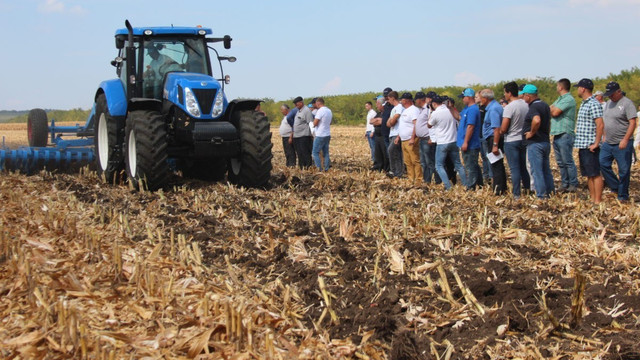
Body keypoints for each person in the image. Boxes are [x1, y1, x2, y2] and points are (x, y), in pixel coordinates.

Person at [600, 81, 637, 201]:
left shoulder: (627, 103)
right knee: (603, 163)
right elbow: (605, 121)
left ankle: (623, 195)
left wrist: (625, 139)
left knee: (624, 170)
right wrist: (604, 136)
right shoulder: (608, 104)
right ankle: (615, 186)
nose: (610, 96)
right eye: (608, 94)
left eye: (612, 94)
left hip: (622, 142)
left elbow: (632, 123)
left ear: (619, 91)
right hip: (608, 142)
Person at [573, 78, 604, 204]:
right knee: (589, 174)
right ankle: (592, 198)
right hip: (583, 144)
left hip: (591, 144)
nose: (578, 90)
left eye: (578, 87)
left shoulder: (593, 104)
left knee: (595, 173)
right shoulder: (585, 103)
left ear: (583, 88)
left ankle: (597, 200)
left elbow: (600, 124)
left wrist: (596, 143)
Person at [522, 84, 555, 199]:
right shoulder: (545, 105)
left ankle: (541, 195)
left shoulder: (534, 107)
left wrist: (531, 133)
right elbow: (548, 123)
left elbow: (536, 120)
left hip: (535, 143)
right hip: (545, 141)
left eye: (524, 95)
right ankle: (550, 192)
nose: (523, 98)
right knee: (546, 169)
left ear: (528, 96)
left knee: (537, 171)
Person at [428, 95, 467, 190]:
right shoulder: (450, 110)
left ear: (434, 104)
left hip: (442, 142)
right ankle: (466, 184)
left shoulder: (435, 113)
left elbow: (429, 125)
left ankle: (447, 186)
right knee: (458, 165)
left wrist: (430, 112)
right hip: (453, 141)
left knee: (439, 165)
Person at [501, 81, 530, 198]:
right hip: (523, 138)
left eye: (505, 92)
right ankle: (528, 189)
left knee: (514, 168)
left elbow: (504, 127)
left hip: (511, 140)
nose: (505, 95)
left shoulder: (509, 107)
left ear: (509, 93)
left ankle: (516, 193)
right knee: (524, 167)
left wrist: (500, 131)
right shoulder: (525, 104)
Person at [550, 78, 578, 192]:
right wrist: (552, 109)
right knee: (561, 162)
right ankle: (565, 183)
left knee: (567, 161)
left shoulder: (568, 99)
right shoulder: (560, 99)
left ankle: (573, 184)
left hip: (565, 133)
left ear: (561, 87)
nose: (557, 88)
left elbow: (555, 112)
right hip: (557, 133)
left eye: (557, 86)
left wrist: (552, 109)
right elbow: (550, 108)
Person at [479, 89, 507, 195]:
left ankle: (498, 189)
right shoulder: (493, 107)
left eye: (481, 98)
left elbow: (496, 129)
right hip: (493, 139)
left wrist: (495, 145)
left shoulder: (494, 109)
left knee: (496, 165)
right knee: (497, 164)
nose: (480, 100)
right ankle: (502, 187)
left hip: (493, 139)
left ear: (485, 99)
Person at [457, 88, 483, 190]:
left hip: (470, 144)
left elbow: (470, 126)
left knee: (470, 166)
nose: (462, 99)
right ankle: (480, 185)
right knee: (474, 165)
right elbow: (459, 118)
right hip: (467, 142)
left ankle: (471, 187)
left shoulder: (472, 110)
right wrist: (451, 108)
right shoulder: (466, 109)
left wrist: (466, 142)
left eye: (463, 97)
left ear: (468, 97)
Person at [398, 92, 422, 184]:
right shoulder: (405, 110)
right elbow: (403, 125)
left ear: (407, 100)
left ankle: (419, 179)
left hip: (411, 139)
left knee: (415, 160)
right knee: (407, 161)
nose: (401, 101)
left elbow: (416, 125)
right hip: (404, 139)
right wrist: (398, 136)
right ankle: (411, 178)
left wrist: (413, 138)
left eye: (402, 99)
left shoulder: (414, 110)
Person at [415, 92, 436, 183]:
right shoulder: (422, 109)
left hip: (427, 139)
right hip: (422, 139)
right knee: (424, 162)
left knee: (429, 162)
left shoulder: (428, 109)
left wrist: (432, 137)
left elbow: (432, 123)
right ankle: (427, 180)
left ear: (420, 100)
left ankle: (436, 180)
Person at [291, 96, 313, 169]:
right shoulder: (298, 111)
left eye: (296, 104)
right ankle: (301, 167)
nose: (295, 105)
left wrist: (312, 135)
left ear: (301, 102)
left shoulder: (307, 111)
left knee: (305, 152)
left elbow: (310, 123)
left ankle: (308, 167)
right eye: (295, 104)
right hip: (297, 136)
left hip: (304, 136)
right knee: (299, 153)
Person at [386, 91, 404, 178]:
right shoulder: (393, 109)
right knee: (394, 153)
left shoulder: (400, 107)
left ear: (393, 98)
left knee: (391, 151)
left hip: (397, 133)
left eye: (389, 99)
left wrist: (391, 121)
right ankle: (396, 172)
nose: (388, 101)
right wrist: (391, 121)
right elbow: (388, 123)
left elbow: (393, 122)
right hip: (392, 133)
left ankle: (396, 172)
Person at [475, 91, 492, 183]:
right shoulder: (479, 108)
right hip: (480, 135)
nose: (475, 98)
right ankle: (486, 175)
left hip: (485, 136)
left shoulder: (485, 109)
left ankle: (490, 175)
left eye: (477, 97)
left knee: (487, 156)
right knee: (484, 157)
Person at [312, 97, 332, 171]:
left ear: (318, 103)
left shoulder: (320, 111)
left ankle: (319, 168)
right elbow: (330, 122)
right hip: (327, 134)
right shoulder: (329, 110)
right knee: (326, 152)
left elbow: (315, 123)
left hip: (320, 134)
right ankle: (326, 168)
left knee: (315, 152)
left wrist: (312, 124)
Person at [370, 96, 390, 172]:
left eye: (377, 104)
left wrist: (379, 121)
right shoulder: (378, 113)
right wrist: (378, 120)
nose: (376, 106)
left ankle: (386, 167)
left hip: (383, 136)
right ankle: (378, 166)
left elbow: (383, 122)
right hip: (377, 136)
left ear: (382, 105)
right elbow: (371, 121)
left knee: (385, 153)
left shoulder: (386, 113)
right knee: (377, 153)